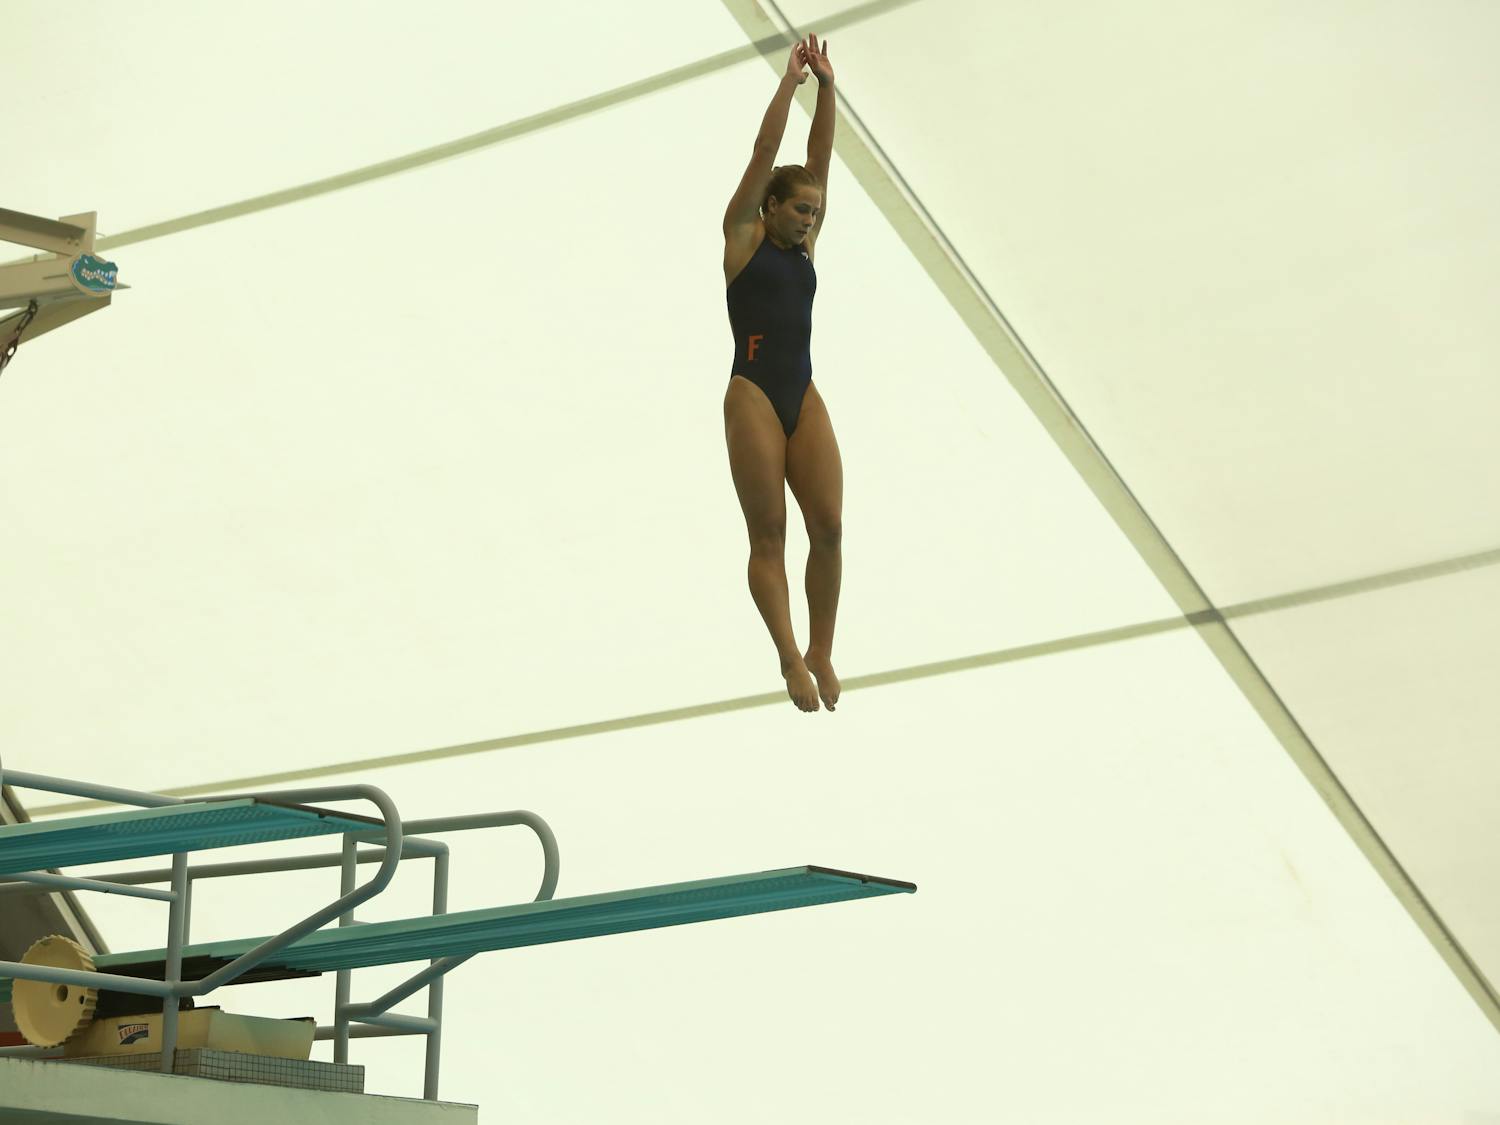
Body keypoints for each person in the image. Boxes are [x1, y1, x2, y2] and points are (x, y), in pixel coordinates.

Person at [722, 34, 840, 713]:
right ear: (771, 208)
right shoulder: (743, 235)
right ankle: (790, 654)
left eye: (815, 213)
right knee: (770, 534)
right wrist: (788, 85)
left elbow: (819, 161)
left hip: (803, 390)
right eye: (800, 209)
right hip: (754, 394)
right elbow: (767, 156)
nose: (809, 220)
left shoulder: (806, 244)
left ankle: (822, 646)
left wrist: (828, 88)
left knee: (829, 528)